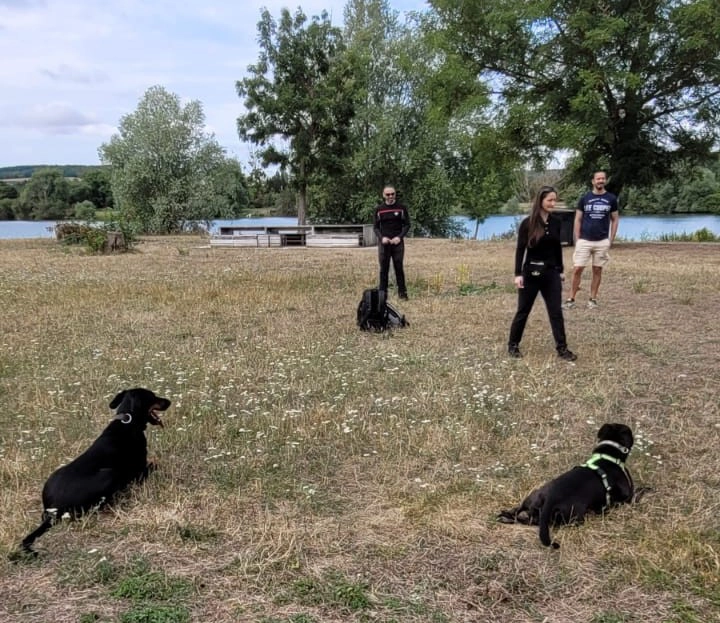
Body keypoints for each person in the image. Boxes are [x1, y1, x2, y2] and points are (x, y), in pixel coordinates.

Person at [508, 186, 577, 361]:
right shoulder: (527, 223)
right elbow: (520, 249)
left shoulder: (556, 222)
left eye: (555, 200)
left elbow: (557, 248)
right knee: (523, 310)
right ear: (540, 201)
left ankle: (562, 349)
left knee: (556, 312)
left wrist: (560, 270)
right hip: (530, 273)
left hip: (551, 273)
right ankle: (513, 345)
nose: (553, 203)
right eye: (550, 200)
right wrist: (518, 274)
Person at [564, 171, 619, 309]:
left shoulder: (611, 199)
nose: (600, 181)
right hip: (585, 240)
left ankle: (592, 299)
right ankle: (571, 299)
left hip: (602, 241)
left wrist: (611, 240)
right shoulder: (585, 198)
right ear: (593, 181)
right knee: (577, 269)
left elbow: (615, 219)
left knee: (597, 270)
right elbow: (577, 219)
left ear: (605, 181)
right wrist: (577, 239)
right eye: (598, 178)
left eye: (603, 179)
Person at [373, 185, 410, 300]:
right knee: (384, 269)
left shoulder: (401, 208)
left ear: (395, 194)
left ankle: (402, 294)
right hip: (384, 243)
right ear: (384, 195)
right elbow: (375, 227)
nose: (390, 196)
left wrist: (399, 237)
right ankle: (382, 295)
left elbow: (407, 225)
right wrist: (381, 238)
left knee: (398, 267)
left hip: (397, 243)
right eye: (388, 194)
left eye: (392, 194)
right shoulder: (379, 209)